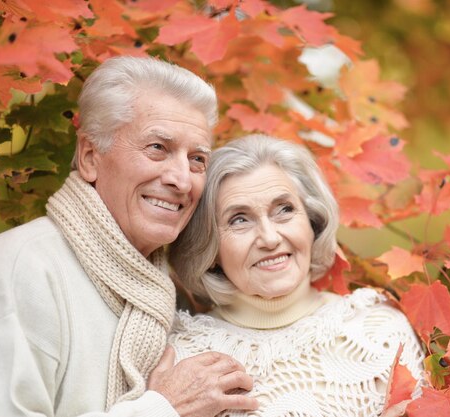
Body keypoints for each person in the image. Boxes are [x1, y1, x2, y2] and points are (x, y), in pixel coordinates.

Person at [0, 56, 258, 416]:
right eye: (158, 148)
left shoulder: (171, 292)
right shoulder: (14, 268)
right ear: (90, 157)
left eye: (197, 159)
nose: (182, 180)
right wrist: (163, 409)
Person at [169, 134, 426, 417]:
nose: (269, 238)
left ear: (312, 221)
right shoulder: (183, 359)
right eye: (239, 219)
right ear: (211, 247)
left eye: (284, 210)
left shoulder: (380, 332)